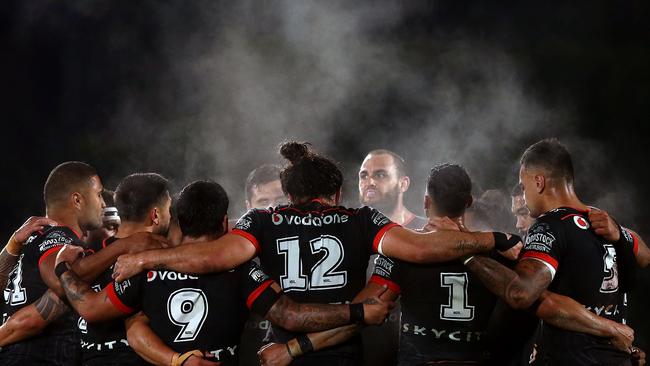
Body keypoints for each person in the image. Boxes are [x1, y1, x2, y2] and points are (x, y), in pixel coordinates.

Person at [112, 141, 521, 365]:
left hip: (278, 352)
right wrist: (495, 239)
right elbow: (418, 245)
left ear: (289, 193)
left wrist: (148, 258)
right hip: (339, 353)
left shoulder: (264, 220)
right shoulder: (360, 218)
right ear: (337, 192)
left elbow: (214, 257)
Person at [56, 180, 392, 365]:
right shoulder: (240, 270)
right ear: (225, 223)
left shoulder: (144, 266)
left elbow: (91, 308)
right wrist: (360, 310)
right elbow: (292, 315)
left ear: (178, 222)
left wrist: (62, 268)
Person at [464, 138, 637, 365]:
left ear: (539, 182)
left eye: (524, 187)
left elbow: (521, 294)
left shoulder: (549, 225)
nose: (525, 195)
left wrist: (466, 251)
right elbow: (642, 256)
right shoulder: (604, 222)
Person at [0, 163, 165, 365]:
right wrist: (124, 246)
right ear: (77, 200)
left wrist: (12, 246)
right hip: (39, 357)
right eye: (98, 195)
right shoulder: (61, 236)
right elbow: (60, 281)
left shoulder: (34, 239)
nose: (103, 204)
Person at [358, 149, 426, 229]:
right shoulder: (348, 229)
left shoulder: (427, 231)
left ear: (403, 184)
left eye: (381, 175)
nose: (370, 182)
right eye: (364, 176)